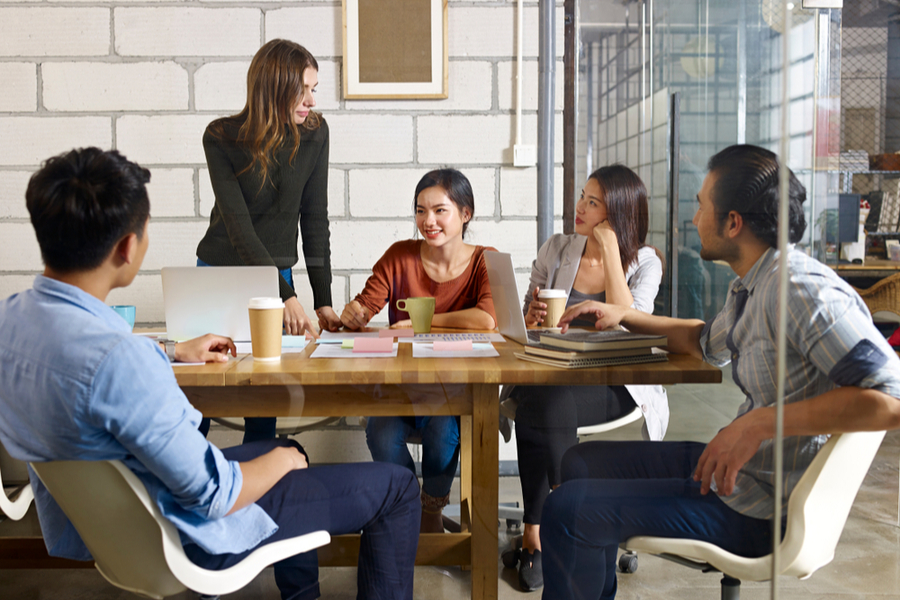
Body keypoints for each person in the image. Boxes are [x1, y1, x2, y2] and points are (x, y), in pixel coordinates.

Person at [0, 147, 420, 600]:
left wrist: (171, 349)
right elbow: (215, 496)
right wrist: (282, 462)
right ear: (128, 246)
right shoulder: (120, 364)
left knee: (285, 447)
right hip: (185, 532)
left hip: (110, 527)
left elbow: (91, 360)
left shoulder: (13, 320)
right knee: (394, 487)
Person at [539, 144, 900, 600]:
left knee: (566, 509)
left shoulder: (803, 292)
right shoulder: (754, 283)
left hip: (760, 509)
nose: (694, 220)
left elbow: (892, 399)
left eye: (701, 206)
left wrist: (761, 422)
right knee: (578, 462)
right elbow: (703, 340)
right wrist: (621, 313)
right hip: (743, 472)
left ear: (733, 222)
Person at [500, 165, 669, 591]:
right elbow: (526, 321)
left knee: (540, 400)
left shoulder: (646, 262)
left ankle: (542, 530)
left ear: (618, 214)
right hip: (554, 376)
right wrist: (531, 316)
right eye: (582, 197)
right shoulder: (557, 248)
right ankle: (567, 516)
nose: (579, 207)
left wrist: (611, 252)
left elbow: (633, 324)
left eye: (593, 203)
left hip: (614, 384)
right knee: (544, 396)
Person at [196, 39, 340, 443]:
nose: (311, 101)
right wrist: (285, 295)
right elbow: (240, 230)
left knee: (265, 393)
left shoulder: (315, 133)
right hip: (219, 272)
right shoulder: (221, 137)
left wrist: (322, 298)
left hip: (275, 276)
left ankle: (260, 492)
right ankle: (187, 490)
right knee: (200, 397)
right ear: (275, 87)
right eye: (304, 90)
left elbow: (315, 218)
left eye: (315, 89)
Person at [341, 168, 497, 534]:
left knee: (444, 433)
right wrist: (354, 314)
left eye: (440, 210)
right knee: (380, 433)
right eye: (420, 210)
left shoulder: (484, 259)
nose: (428, 221)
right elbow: (366, 304)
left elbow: (487, 319)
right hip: (401, 387)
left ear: (466, 213)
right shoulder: (400, 255)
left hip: (454, 390)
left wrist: (421, 324)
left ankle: (429, 513)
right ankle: (406, 506)